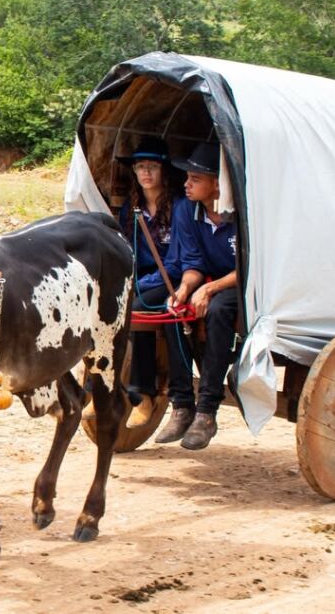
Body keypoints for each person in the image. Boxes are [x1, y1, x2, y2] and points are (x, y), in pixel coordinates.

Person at [153, 140, 238, 450]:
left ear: (217, 185)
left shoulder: (242, 212)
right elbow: (193, 263)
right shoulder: (186, 210)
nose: (186, 184)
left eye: (195, 179)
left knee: (218, 311)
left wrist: (209, 289)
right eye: (187, 178)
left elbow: (250, 267)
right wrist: (185, 289)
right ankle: (181, 404)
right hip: (208, 281)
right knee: (173, 311)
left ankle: (207, 411)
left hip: (243, 285)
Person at [115, 136, 189, 428]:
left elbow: (177, 262)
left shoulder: (180, 207)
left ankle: (142, 392)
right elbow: (127, 251)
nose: (146, 172)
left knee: (138, 308)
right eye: (140, 167)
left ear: (164, 171)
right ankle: (99, 388)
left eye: (153, 167)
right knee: (111, 308)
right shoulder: (131, 208)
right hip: (143, 277)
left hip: (175, 277)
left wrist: (141, 285)